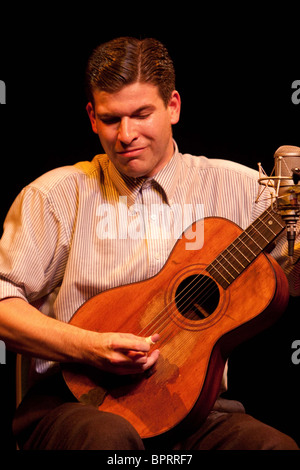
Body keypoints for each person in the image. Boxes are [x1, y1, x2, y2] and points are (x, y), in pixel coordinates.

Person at [0, 37, 299, 450]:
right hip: (77, 402)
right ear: (91, 116)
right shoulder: (54, 196)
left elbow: (292, 281)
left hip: (194, 407)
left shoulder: (244, 189)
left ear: (173, 106)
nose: (126, 135)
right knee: (106, 439)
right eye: (110, 119)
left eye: (142, 114)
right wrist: (89, 346)